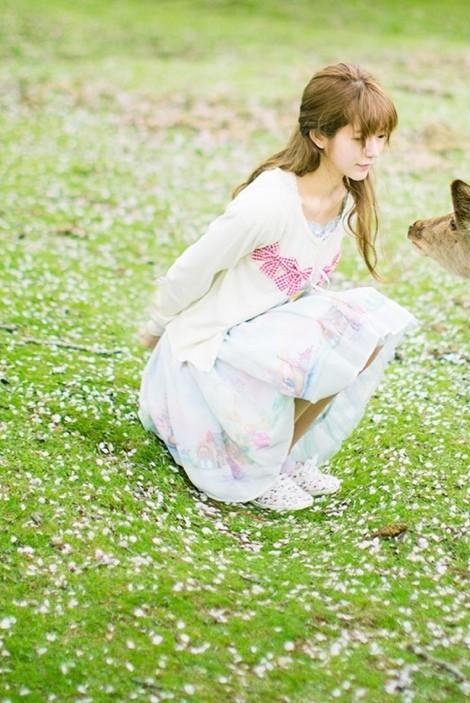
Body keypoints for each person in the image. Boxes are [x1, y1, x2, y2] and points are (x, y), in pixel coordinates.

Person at [136, 63, 418, 511]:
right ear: (320, 136)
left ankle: (281, 458)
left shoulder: (343, 196)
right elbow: (194, 266)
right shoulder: (269, 201)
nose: (373, 152)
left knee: (364, 332)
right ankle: (261, 472)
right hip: (212, 346)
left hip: (261, 340)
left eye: (381, 138)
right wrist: (155, 328)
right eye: (360, 138)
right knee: (342, 329)